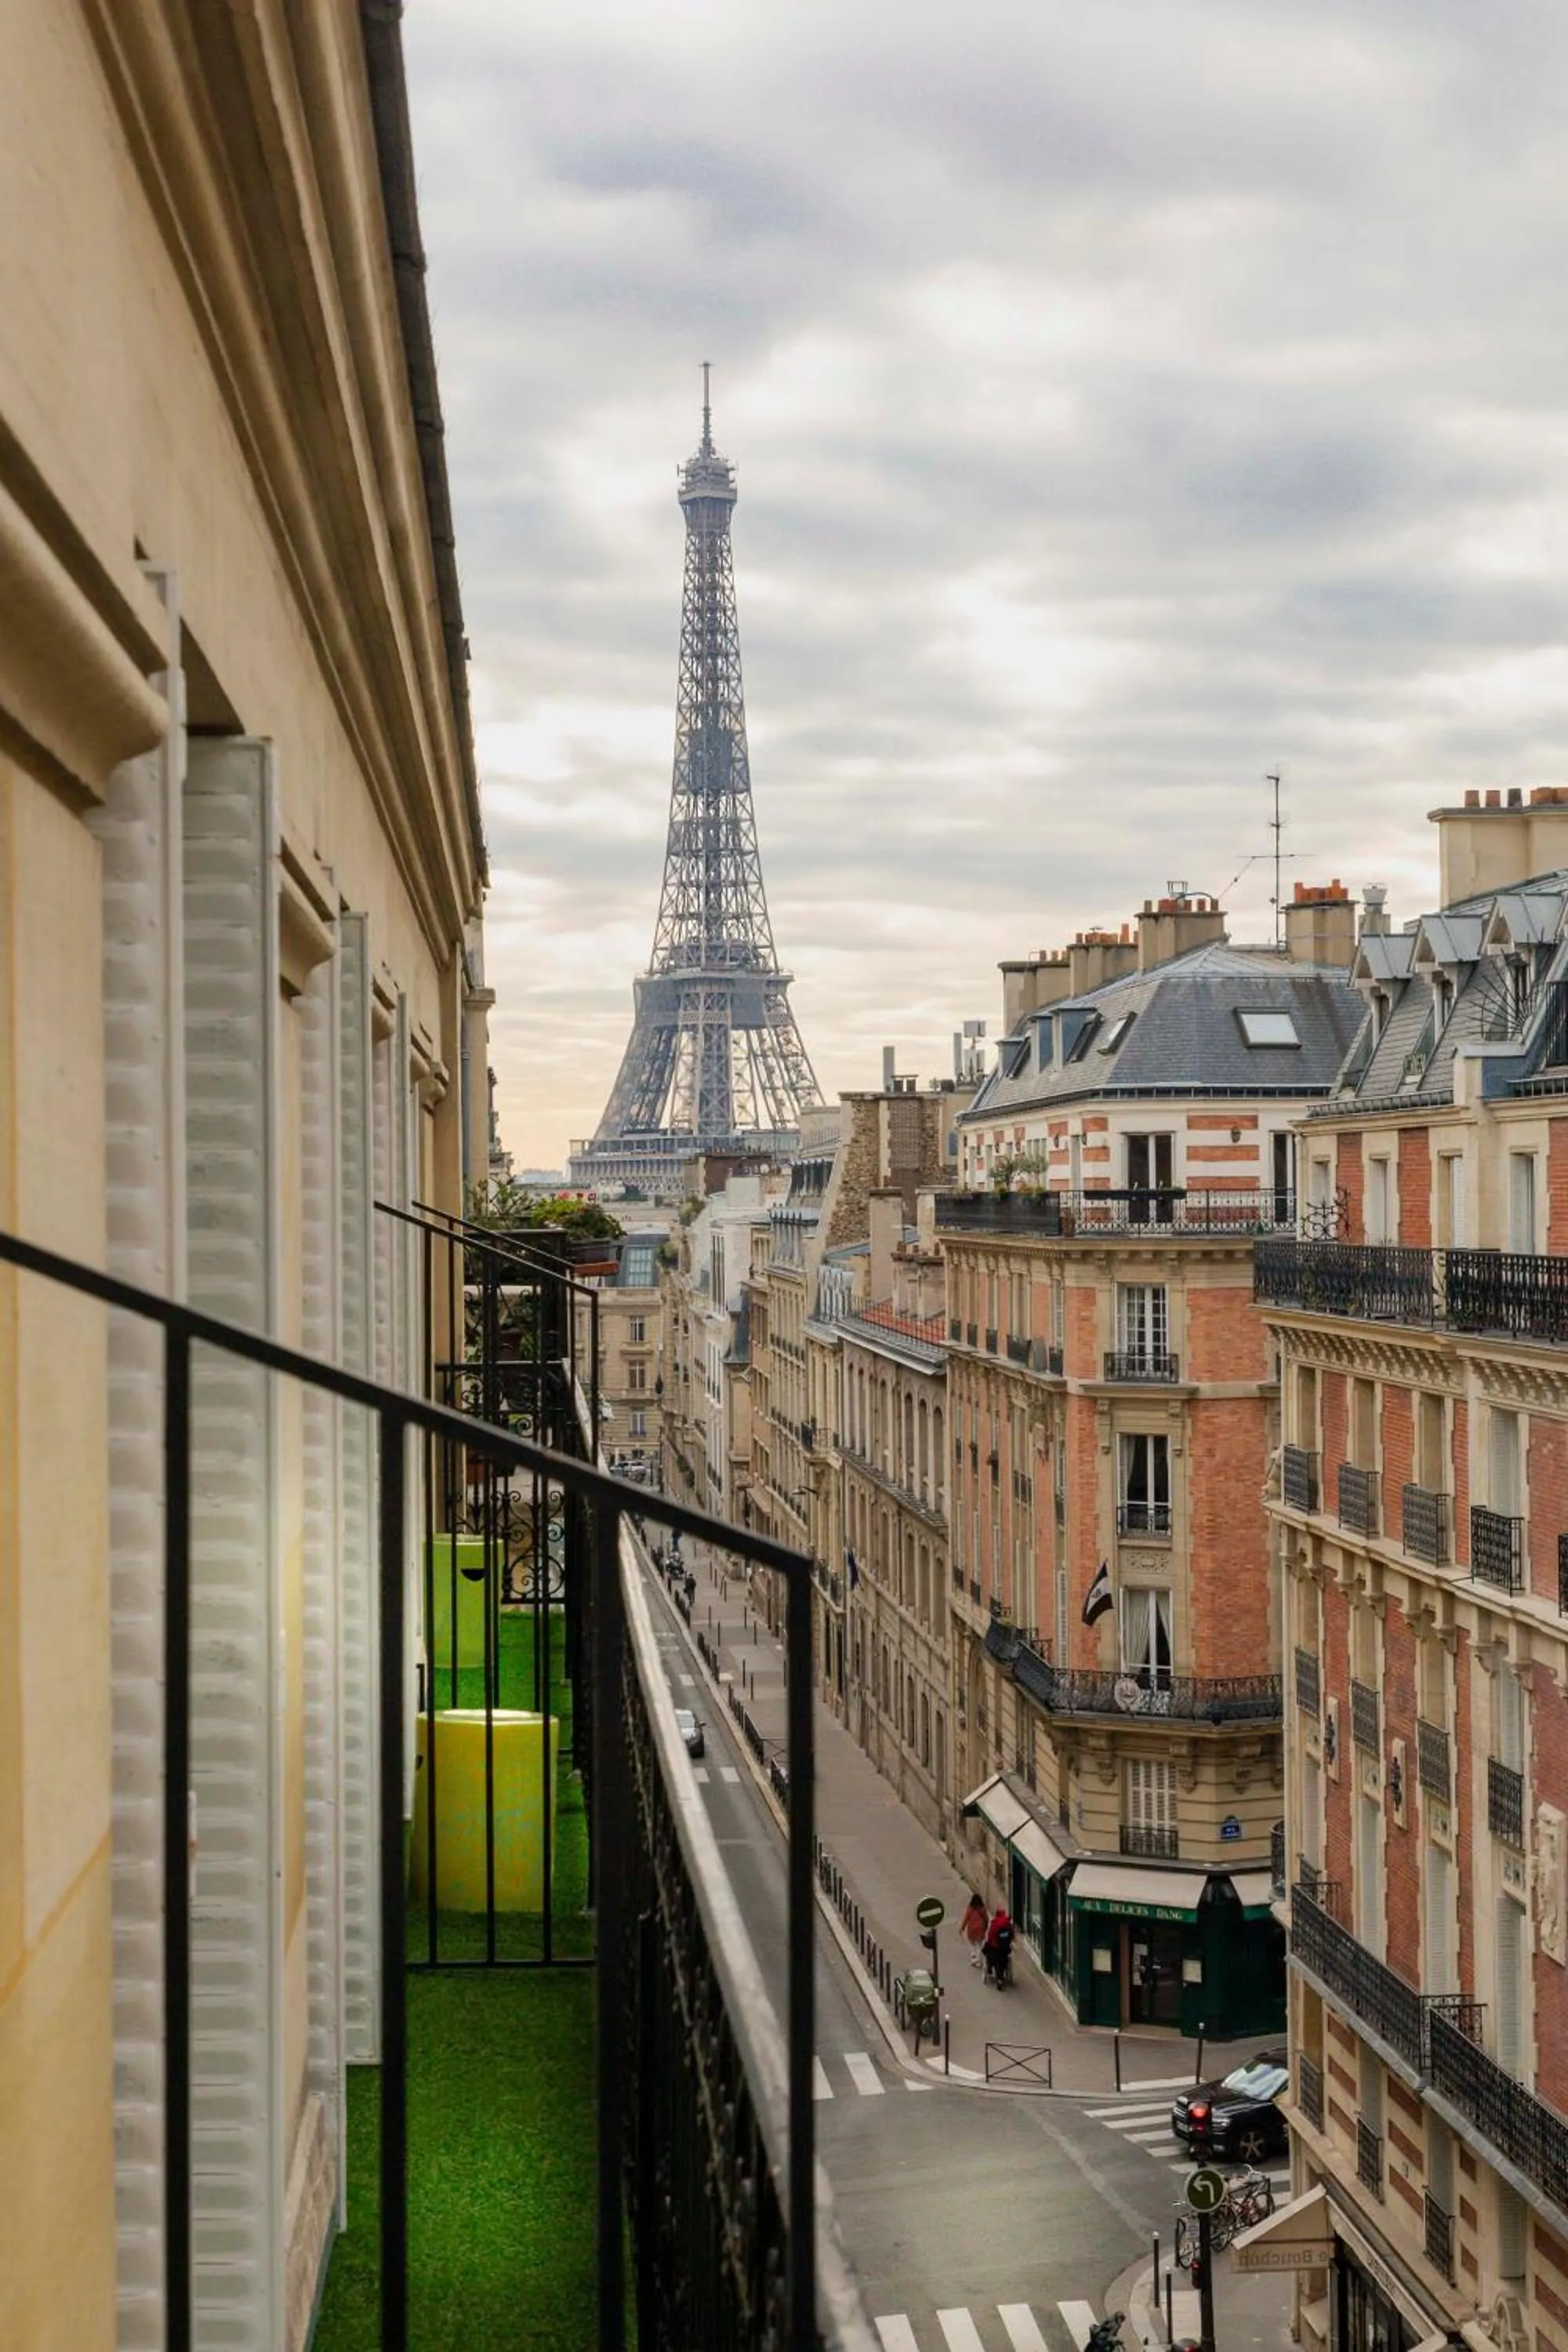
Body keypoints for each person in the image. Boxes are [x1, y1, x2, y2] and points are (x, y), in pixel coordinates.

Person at [982, 1907, 1014, 1987]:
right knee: (1003, 1961)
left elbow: (990, 1938)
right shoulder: (1008, 1923)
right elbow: (1012, 1935)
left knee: (987, 1952)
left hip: (995, 1949)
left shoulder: (994, 1924)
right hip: (1005, 1949)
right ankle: (1000, 1978)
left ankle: (990, 1970)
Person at [960, 1892, 989, 1969]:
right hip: (980, 1928)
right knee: (979, 1945)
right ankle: (979, 1961)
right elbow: (986, 1918)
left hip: (972, 1929)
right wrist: (985, 1927)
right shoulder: (982, 1908)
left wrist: (962, 1928)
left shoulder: (970, 1908)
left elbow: (966, 1918)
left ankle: (974, 1958)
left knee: (972, 1943)